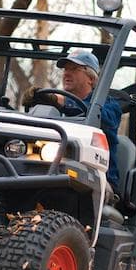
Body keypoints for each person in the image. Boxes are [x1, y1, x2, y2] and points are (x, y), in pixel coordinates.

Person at [23, 50, 122, 193]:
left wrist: (60, 101)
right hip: (55, 167)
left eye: (74, 69)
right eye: (65, 69)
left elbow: (100, 117)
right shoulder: (56, 106)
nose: (66, 73)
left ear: (91, 79)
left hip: (99, 180)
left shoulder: (110, 106)